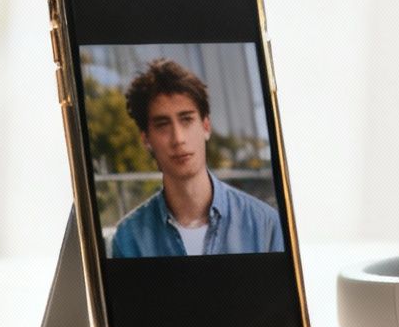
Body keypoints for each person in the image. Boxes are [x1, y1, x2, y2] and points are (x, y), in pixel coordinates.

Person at [107, 59, 282, 258]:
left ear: (206, 126)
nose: (178, 139)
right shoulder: (128, 238)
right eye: (162, 125)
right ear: (146, 139)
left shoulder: (265, 225)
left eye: (187, 120)